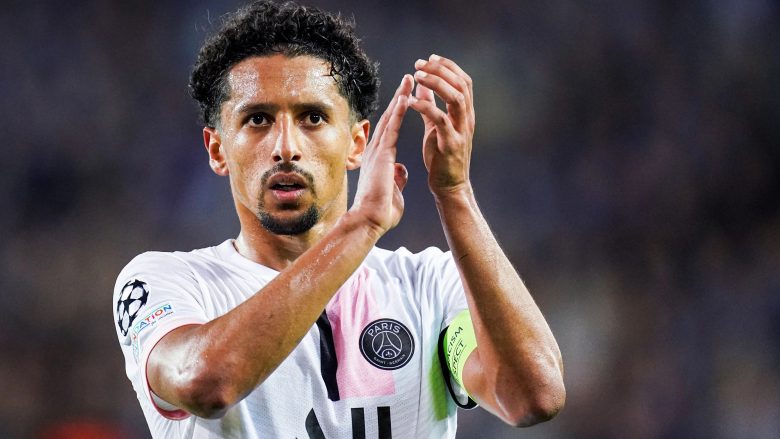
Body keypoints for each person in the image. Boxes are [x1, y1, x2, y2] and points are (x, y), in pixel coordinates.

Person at [112, 1, 565, 437]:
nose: (285, 147)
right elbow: (204, 384)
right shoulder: (164, 282)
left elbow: (532, 397)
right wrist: (361, 226)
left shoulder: (431, 286)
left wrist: (454, 192)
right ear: (217, 150)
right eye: (257, 119)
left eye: (312, 117)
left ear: (356, 143)